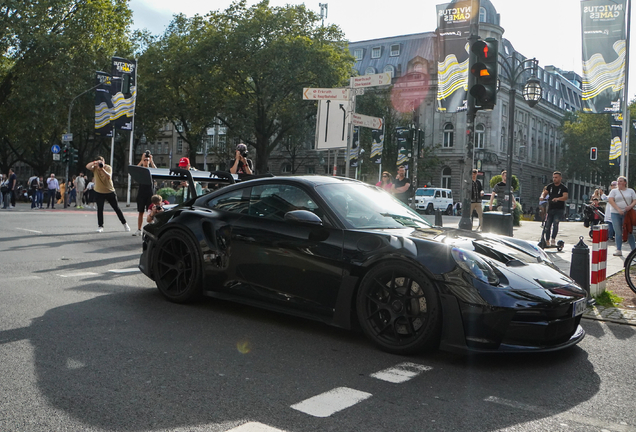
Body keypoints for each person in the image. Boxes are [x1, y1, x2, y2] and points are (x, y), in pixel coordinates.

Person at [86, 156, 130, 233]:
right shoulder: (95, 168)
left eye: (101, 162)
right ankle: (100, 226)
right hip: (99, 192)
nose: (100, 163)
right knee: (100, 209)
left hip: (109, 191)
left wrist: (102, 169)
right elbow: (87, 166)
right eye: (99, 162)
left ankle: (125, 224)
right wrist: (94, 163)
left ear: (104, 162)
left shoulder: (108, 168)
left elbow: (109, 177)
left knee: (116, 208)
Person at [608, 176, 636, 256]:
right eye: (618, 181)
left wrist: (630, 206)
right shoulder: (614, 191)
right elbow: (611, 200)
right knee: (618, 231)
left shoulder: (630, 191)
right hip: (615, 213)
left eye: (621, 181)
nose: (619, 183)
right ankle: (618, 249)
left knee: (629, 231)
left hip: (627, 213)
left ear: (625, 182)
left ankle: (633, 250)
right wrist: (618, 209)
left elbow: (634, 200)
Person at [541, 171, 569, 246]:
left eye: (556, 177)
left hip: (559, 209)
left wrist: (558, 199)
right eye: (553, 177)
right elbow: (544, 193)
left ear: (560, 178)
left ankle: (553, 239)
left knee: (555, 223)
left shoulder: (563, 188)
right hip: (550, 208)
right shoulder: (550, 186)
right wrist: (542, 197)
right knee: (547, 225)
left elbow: (565, 197)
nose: (554, 179)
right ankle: (547, 240)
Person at [134, 151, 157, 236]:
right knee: (140, 211)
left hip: (150, 192)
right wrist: (141, 160)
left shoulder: (151, 170)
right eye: (145, 160)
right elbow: (134, 171)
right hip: (141, 192)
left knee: (150, 211)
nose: (146, 161)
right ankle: (139, 229)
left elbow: (156, 171)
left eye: (147, 160)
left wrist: (151, 161)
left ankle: (151, 229)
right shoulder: (141, 170)